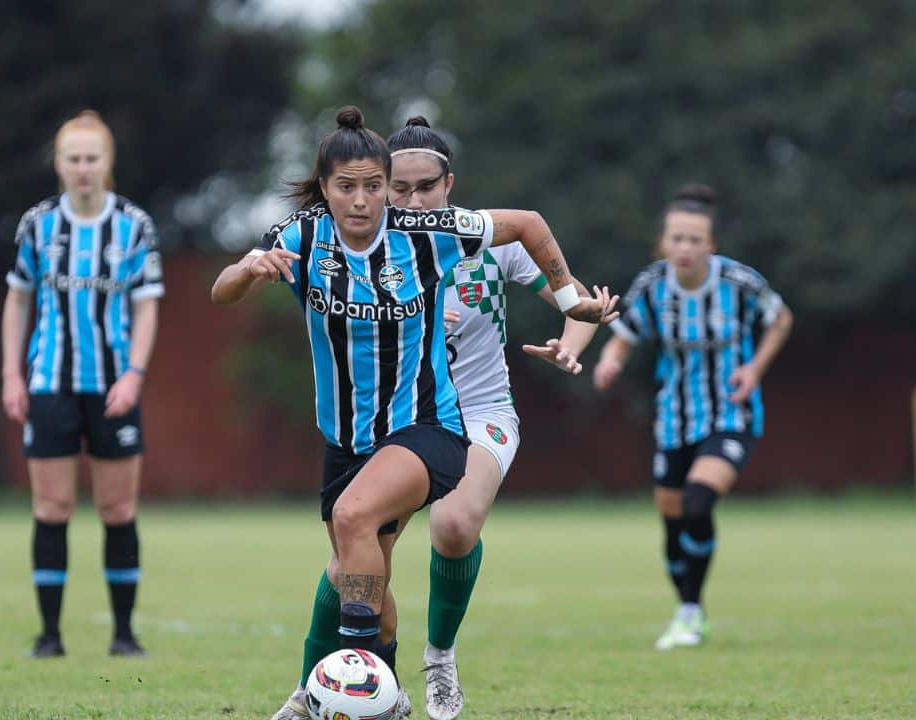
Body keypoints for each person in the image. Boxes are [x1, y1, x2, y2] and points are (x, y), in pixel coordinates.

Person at [211, 106, 617, 719]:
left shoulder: (436, 233)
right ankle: (375, 693)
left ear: (442, 185)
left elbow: (534, 231)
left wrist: (570, 308)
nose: (369, 199)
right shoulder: (301, 235)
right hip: (350, 438)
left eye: (378, 187)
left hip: (437, 422)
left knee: (388, 522)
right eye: (354, 186)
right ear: (324, 187)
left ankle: (373, 679)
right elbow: (222, 290)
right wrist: (247, 268)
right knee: (355, 567)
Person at [592, 183, 793, 650]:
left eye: (694, 240)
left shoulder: (739, 283)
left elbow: (780, 318)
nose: (684, 248)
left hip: (731, 414)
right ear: (663, 241)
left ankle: (689, 612)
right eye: (676, 238)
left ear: (712, 245)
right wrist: (610, 361)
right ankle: (689, 608)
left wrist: (754, 368)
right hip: (673, 420)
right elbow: (625, 333)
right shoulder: (652, 285)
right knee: (673, 523)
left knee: (698, 502)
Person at [1, 109, 164, 659]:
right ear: (59, 164)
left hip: (113, 387)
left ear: (107, 163)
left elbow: (146, 308)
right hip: (49, 382)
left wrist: (135, 374)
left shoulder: (133, 225)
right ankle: (50, 636)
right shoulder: (38, 225)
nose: (83, 168)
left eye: (93, 158)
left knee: (118, 510)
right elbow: (18, 297)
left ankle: (124, 634)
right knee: (52, 508)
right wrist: (11, 374)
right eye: (74, 158)